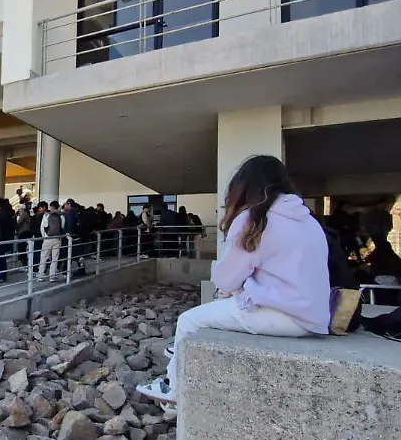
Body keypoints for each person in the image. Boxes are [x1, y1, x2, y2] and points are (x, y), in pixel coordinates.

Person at [139, 155, 330, 404]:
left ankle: (173, 388)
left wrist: (233, 286)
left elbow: (226, 280)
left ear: (244, 186)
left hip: (283, 315)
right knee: (224, 304)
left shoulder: (256, 218)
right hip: (314, 316)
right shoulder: (308, 220)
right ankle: (180, 355)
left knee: (188, 321)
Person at [38, 201, 63, 281]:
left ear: (51, 207)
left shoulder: (47, 215)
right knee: (55, 258)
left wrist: (44, 237)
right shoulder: (61, 216)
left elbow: (43, 227)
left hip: (47, 239)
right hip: (57, 239)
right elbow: (62, 226)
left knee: (43, 257)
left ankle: (40, 276)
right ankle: (52, 276)